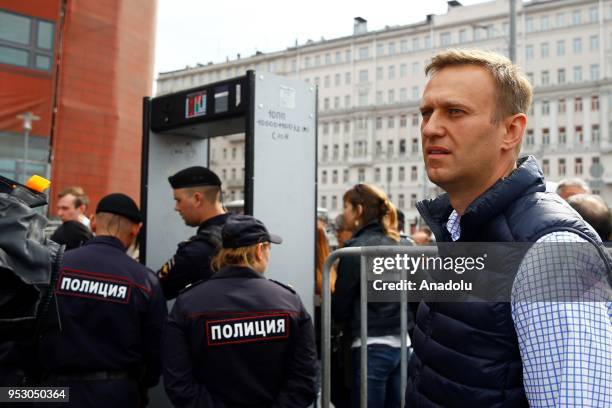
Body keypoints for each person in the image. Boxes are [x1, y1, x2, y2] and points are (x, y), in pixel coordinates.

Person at [407, 49, 612, 406]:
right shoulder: (457, 227)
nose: (431, 128)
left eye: (455, 112)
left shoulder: (552, 253)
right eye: (427, 113)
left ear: (511, 131)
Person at [162, 214, 317, 407]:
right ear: (260, 250)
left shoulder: (188, 303)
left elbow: (179, 383)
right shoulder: (289, 303)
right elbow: (305, 379)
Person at [38, 193, 167, 407]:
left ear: (94, 222)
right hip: (115, 393)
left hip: (53, 390)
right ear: (136, 229)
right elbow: (155, 348)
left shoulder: (53, 267)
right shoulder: (144, 281)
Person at [332, 183, 413, 408]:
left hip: (370, 346)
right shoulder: (404, 244)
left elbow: (341, 306)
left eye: (346, 207)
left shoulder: (355, 249)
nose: (343, 213)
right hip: (403, 343)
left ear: (358, 210)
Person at [157, 166, 229, 299]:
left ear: (197, 199)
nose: (176, 208)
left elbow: (155, 289)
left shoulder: (197, 250)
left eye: (178, 200)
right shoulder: (248, 233)